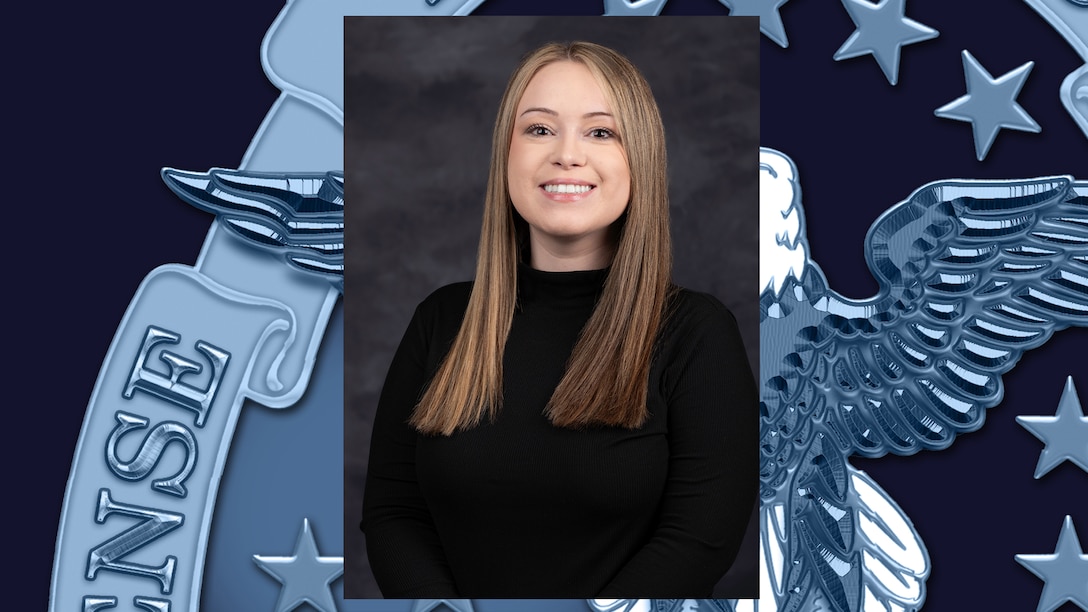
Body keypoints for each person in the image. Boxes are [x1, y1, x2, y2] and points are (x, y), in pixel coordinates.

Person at [360, 40, 757, 598]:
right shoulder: (442, 319)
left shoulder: (694, 331)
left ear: (638, 157)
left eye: (601, 132)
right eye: (540, 129)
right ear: (507, 154)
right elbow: (394, 513)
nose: (567, 155)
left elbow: (700, 541)